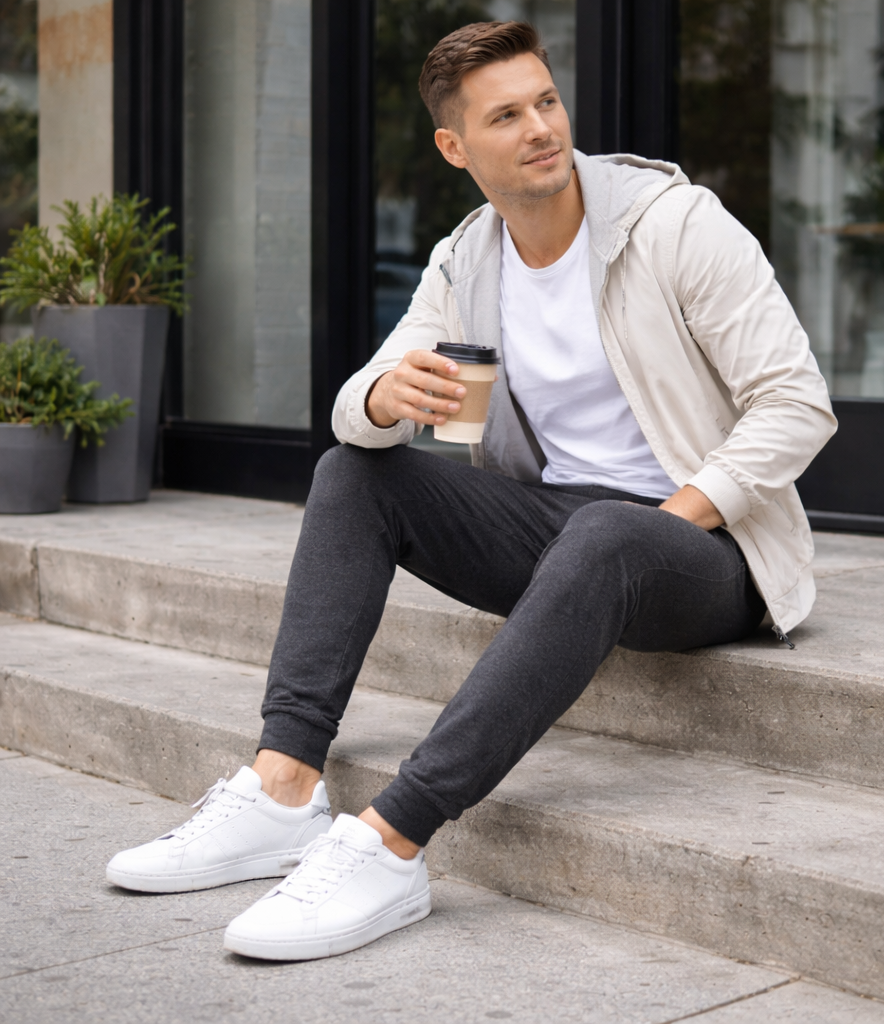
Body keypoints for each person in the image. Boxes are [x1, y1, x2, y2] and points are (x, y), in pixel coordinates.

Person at [107, 20, 835, 962]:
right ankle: (283, 785)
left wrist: (674, 515)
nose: (541, 128)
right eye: (506, 116)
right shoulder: (467, 258)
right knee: (351, 474)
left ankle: (392, 841)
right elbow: (355, 409)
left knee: (607, 534)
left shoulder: (674, 224)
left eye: (547, 102)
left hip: (703, 545)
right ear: (455, 148)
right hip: (561, 526)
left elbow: (797, 403)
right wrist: (384, 395)